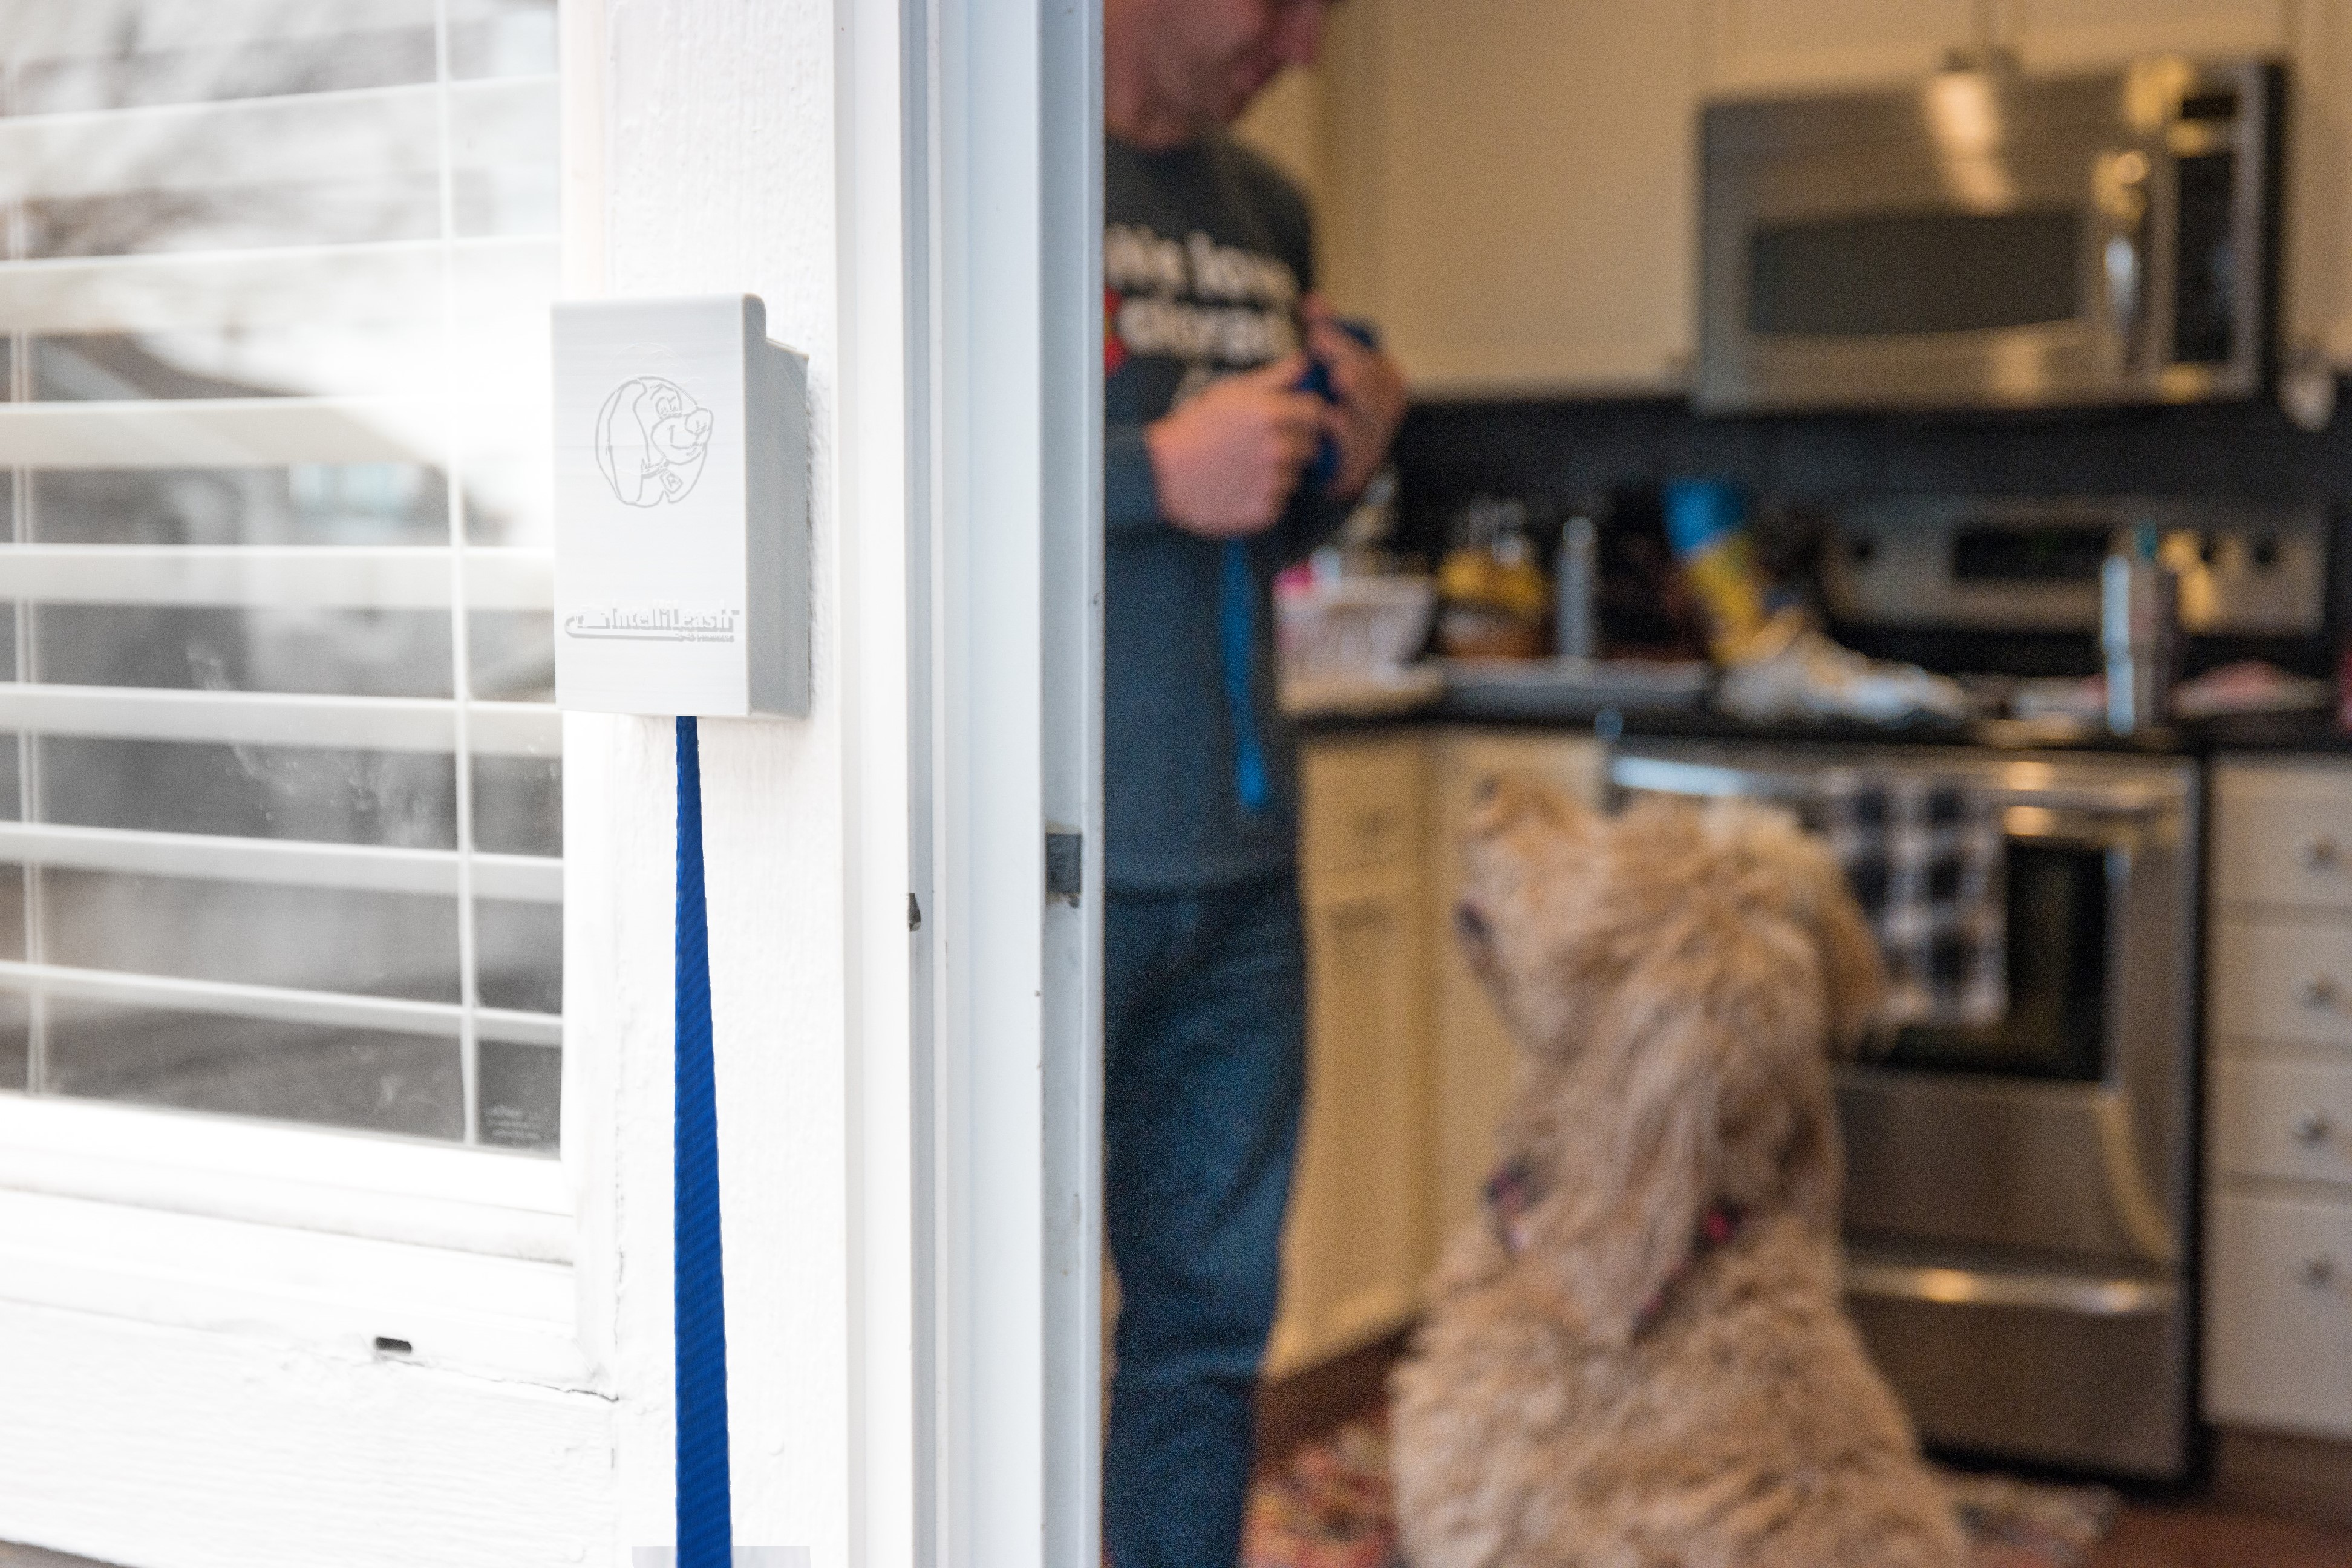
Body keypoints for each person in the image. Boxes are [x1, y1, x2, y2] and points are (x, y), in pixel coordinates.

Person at [1101, 2, 1408, 1564]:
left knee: (1209, 1342)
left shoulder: (1267, 213)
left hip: (1243, 871)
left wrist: (1335, 467)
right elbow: (897, 486)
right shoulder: (996, 173)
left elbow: (1249, 533)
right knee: (984, 1338)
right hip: (1054, 875)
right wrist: (1149, 470)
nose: (1299, 50)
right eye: (1279, 6)